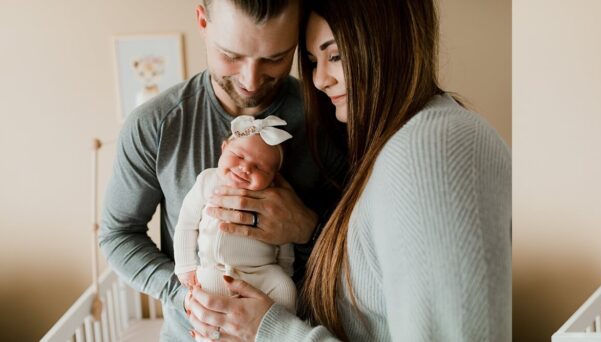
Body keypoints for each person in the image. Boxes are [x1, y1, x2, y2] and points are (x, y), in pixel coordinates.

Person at [184, 0, 512, 341]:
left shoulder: (432, 150)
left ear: (387, 40)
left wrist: (270, 330)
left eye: (335, 55)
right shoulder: (397, 147)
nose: (320, 79)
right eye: (312, 61)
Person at [99, 0, 346, 340]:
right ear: (202, 21)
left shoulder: (332, 118)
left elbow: (359, 253)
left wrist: (305, 229)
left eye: (275, 57)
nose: (251, 80)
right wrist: (185, 294)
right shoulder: (154, 126)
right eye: (231, 55)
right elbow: (118, 235)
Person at [174, 115, 298, 313]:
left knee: (286, 289)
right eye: (239, 156)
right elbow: (186, 224)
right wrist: (185, 266)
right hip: (219, 268)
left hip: (264, 271)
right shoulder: (208, 180)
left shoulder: (273, 196)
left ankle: (276, 331)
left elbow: (285, 234)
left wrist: (285, 268)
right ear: (223, 148)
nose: (245, 168)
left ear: (273, 176)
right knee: (206, 289)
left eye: (259, 167)